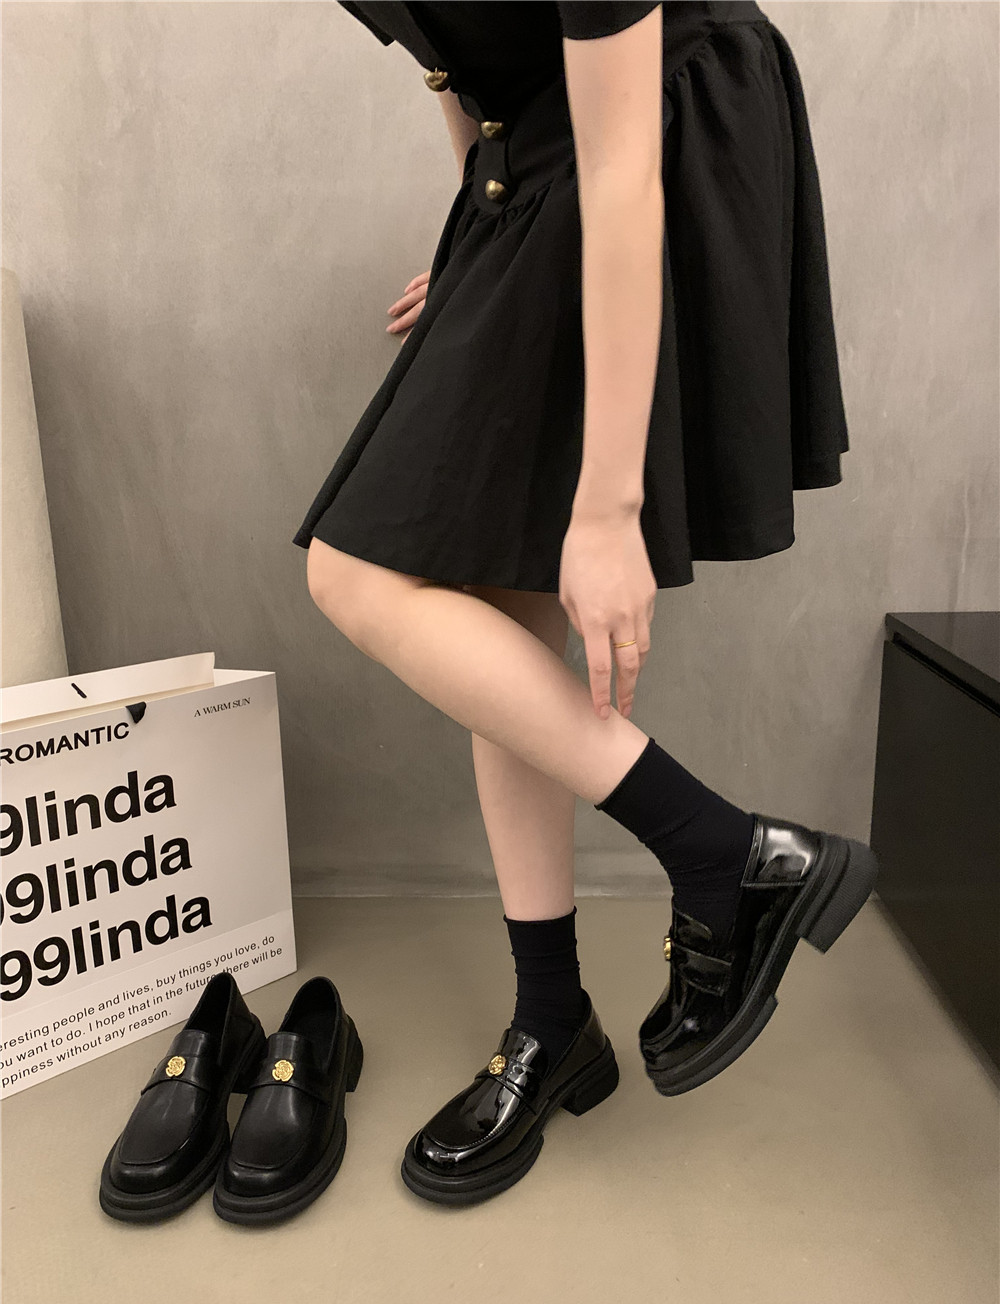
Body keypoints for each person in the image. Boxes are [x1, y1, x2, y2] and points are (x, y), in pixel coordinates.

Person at [292, 1, 877, 1205]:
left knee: (353, 570)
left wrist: (607, 511)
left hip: (654, 138)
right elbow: (455, 57)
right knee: (492, 601)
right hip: (543, 151)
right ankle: (554, 1018)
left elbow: (621, 170)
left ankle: (722, 851)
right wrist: (483, 235)